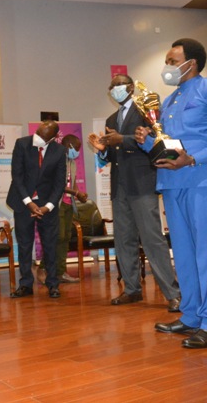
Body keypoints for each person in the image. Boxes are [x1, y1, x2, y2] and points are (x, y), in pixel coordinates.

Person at [135, 38, 207, 349]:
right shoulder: (169, 101)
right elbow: (167, 144)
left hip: (200, 181)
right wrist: (147, 141)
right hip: (171, 183)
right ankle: (192, 315)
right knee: (183, 253)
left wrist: (193, 158)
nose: (167, 67)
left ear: (190, 63)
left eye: (172, 61)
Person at [88, 74, 181, 312]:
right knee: (124, 240)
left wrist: (123, 139)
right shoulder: (111, 118)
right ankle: (132, 290)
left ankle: (172, 293)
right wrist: (102, 150)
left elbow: (155, 139)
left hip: (142, 184)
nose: (113, 88)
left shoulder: (145, 110)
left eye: (117, 84)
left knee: (152, 239)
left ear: (130, 87)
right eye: (111, 85)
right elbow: (113, 154)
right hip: (119, 187)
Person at [7, 120, 66, 299]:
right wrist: (28, 202)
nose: (38, 138)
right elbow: (17, 176)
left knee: (50, 245)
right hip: (23, 201)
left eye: (43, 137)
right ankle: (25, 284)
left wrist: (48, 206)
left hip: (47, 204)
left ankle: (53, 283)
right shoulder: (22, 144)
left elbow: (59, 182)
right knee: (25, 245)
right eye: (38, 133)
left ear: (52, 139)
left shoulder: (59, 151)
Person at [55, 134, 87, 283]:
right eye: (77, 148)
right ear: (69, 146)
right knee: (58, 237)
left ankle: (61, 272)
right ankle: (46, 268)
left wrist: (79, 194)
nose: (78, 152)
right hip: (58, 204)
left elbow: (72, 183)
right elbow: (58, 185)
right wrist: (76, 193)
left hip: (69, 204)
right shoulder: (56, 160)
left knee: (66, 238)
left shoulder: (72, 162)